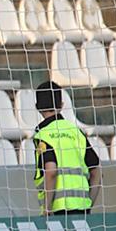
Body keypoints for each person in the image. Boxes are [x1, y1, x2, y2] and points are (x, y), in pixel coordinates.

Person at [33, 81, 101, 216]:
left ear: (37, 107)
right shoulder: (76, 132)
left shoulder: (43, 135)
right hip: (82, 210)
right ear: (62, 105)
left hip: (58, 211)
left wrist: (47, 208)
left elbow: (51, 170)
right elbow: (97, 172)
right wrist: (88, 204)